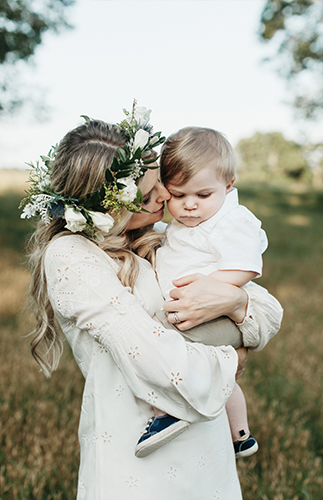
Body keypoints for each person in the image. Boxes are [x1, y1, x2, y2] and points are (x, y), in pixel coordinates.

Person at [21, 103, 283, 500]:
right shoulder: (73, 255)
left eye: (158, 180)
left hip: (206, 435)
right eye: (146, 194)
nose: (166, 195)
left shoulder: (166, 235)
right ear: (106, 207)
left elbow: (268, 312)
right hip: (138, 449)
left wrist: (233, 301)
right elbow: (160, 363)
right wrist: (233, 358)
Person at [135, 126, 268, 460]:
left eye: (202, 196)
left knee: (164, 344)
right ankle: (240, 435)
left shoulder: (232, 221)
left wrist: (208, 288)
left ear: (228, 185)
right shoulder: (190, 223)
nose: (190, 205)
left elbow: (246, 267)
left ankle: (170, 410)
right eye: (179, 196)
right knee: (217, 375)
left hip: (214, 312)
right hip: (196, 309)